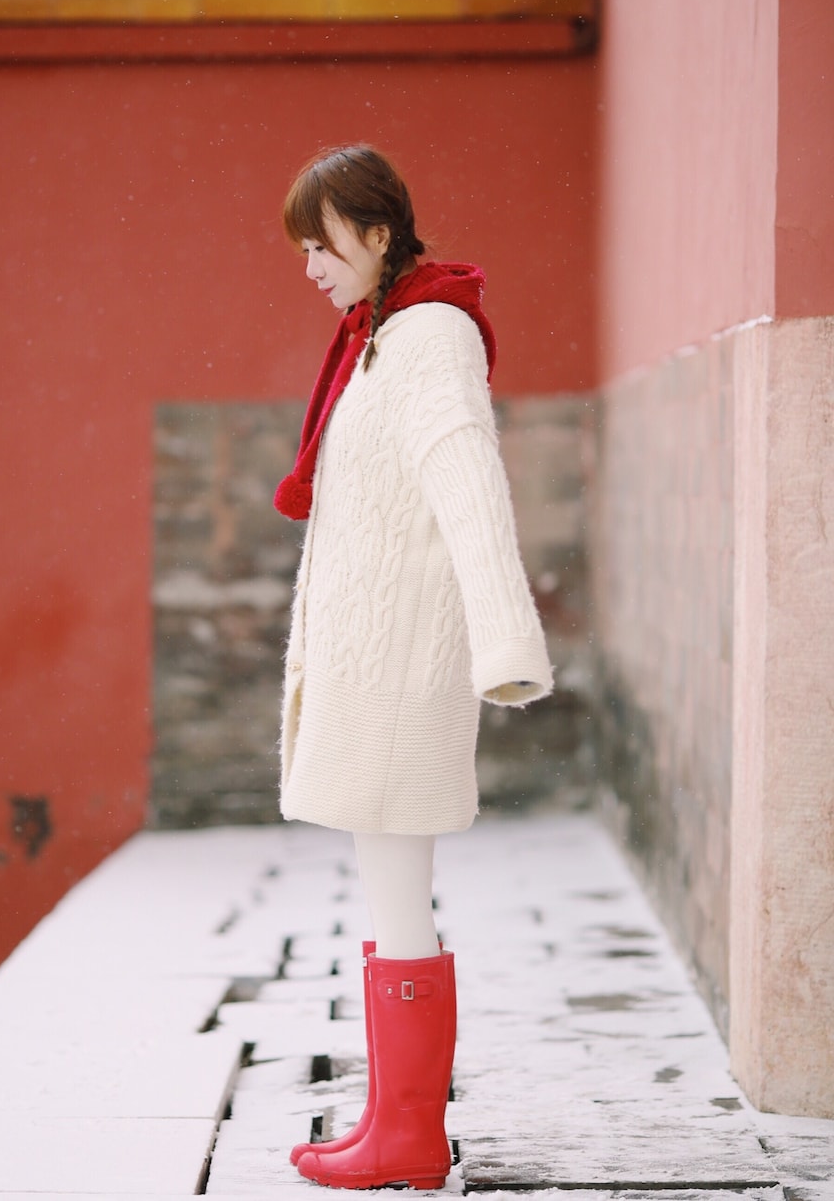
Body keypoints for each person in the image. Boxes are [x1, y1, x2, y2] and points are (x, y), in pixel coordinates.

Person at [274, 144, 552, 1191]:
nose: (310, 267)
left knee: (399, 898)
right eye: (302, 250)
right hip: (370, 660)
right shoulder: (382, 333)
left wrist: (507, 640)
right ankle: (395, 1125)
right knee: (392, 895)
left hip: (399, 666)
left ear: (378, 232)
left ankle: (405, 1135)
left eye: (322, 244)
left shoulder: (430, 334)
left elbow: (466, 477)